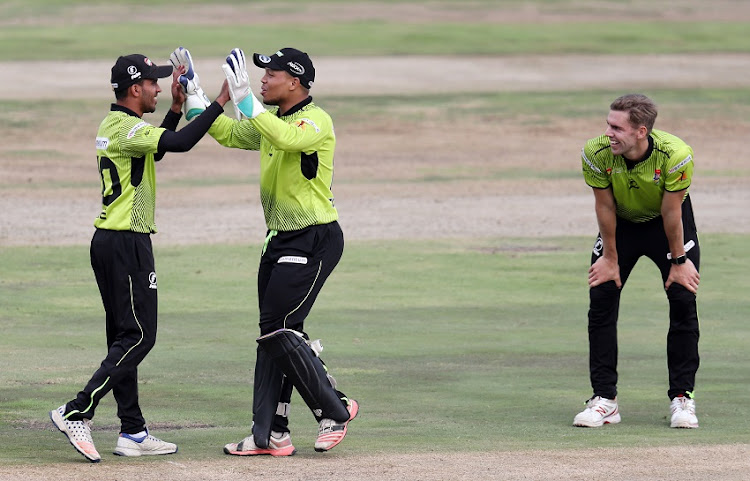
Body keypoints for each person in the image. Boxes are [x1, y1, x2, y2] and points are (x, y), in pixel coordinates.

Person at [170, 46, 358, 456]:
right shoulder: (269, 118)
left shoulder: (316, 121)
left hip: (314, 237)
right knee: (273, 335)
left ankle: (335, 407)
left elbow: (288, 138)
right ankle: (270, 432)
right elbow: (228, 134)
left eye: (270, 74)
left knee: (279, 329)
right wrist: (196, 95)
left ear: (295, 81)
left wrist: (247, 103)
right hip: (278, 239)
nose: (263, 79)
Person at [49, 52, 229, 463]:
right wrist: (219, 102)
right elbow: (179, 144)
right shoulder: (128, 129)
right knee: (140, 337)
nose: (159, 88)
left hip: (111, 242)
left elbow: (159, 149)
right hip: (126, 244)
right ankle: (77, 409)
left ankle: (132, 431)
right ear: (136, 89)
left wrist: (176, 110)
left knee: (123, 338)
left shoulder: (118, 126)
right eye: (153, 83)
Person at [574, 94, 701, 429]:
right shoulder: (596, 152)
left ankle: (682, 398)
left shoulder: (675, 155)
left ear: (641, 131)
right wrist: (610, 259)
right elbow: (604, 206)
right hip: (622, 224)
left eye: (617, 127)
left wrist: (679, 260)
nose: (608, 132)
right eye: (607, 124)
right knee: (601, 297)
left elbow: (672, 212)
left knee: (683, 299)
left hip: (667, 225)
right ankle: (604, 400)